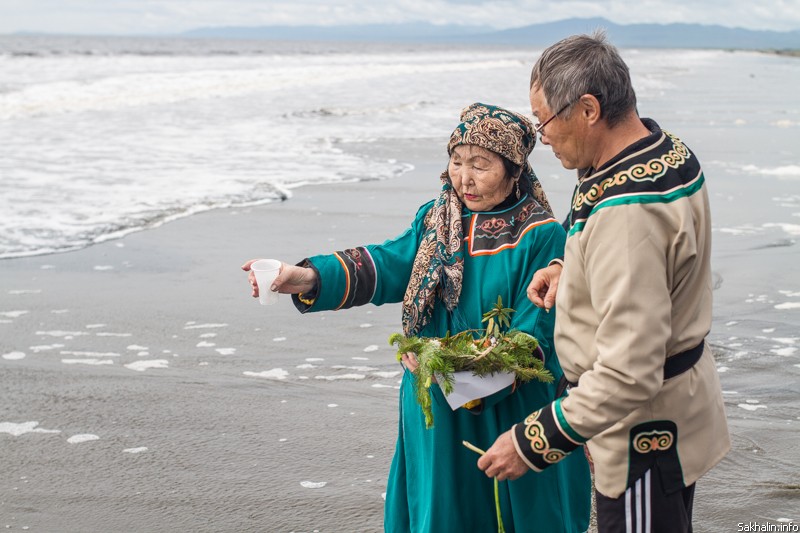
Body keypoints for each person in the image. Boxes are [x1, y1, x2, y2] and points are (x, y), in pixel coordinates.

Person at [242, 103, 591, 532]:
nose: (464, 178)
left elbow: (533, 339)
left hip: (507, 410)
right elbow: (389, 263)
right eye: (457, 161)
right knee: (439, 512)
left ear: (513, 169)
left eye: (480, 165)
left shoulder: (542, 235)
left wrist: (445, 361)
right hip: (433, 409)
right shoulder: (436, 218)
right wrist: (308, 277)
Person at [477, 32, 731, 533]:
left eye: (544, 119)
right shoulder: (662, 150)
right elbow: (657, 265)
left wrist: (532, 441)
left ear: (588, 109)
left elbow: (629, 373)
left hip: (643, 436)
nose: (541, 136)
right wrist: (569, 273)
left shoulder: (628, 212)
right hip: (678, 410)